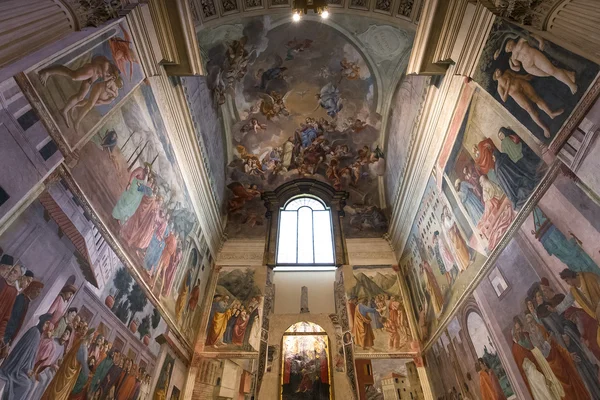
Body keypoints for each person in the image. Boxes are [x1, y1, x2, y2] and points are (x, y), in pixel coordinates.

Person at [493, 68, 563, 138]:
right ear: (495, 77)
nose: (498, 70)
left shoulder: (507, 72)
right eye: (496, 71)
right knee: (530, 110)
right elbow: (504, 99)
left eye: (498, 69)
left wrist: (525, 77)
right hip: (516, 94)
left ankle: (551, 113)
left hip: (521, 83)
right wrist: (507, 86)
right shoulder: (499, 87)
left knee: (537, 98)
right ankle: (544, 128)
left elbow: (516, 75)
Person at [0, 314, 53, 399]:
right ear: (42, 322)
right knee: (26, 385)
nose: (47, 327)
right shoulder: (34, 332)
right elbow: (23, 355)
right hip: (16, 367)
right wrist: (28, 370)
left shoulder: (38, 334)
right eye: (46, 323)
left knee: (32, 382)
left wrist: (30, 369)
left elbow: (31, 356)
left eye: (48, 324)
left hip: (23, 367)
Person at [501, 36, 577, 94]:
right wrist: (511, 65)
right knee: (548, 74)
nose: (509, 48)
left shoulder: (521, 41)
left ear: (511, 42)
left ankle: (571, 85)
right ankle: (569, 74)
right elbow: (517, 68)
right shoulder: (513, 57)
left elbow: (532, 35)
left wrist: (540, 41)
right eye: (507, 49)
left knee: (551, 70)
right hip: (528, 67)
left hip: (534, 56)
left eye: (508, 46)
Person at [28, 327, 72, 400]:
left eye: (67, 333)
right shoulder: (53, 341)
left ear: (68, 338)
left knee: (51, 378)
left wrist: (56, 366)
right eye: (64, 331)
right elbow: (44, 358)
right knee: (44, 379)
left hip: (48, 368)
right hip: (42, 366)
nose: (64, 334)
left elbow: (57, 362)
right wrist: (52, 365)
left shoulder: (62, 347)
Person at [3, 280, 44, 347]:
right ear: (32, 289)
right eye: (38, 291)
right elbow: (12, 319)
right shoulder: (21, 299)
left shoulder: (26, 301)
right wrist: (6, 337)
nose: (38, 294)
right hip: (5, 334)